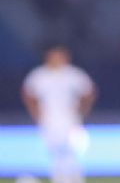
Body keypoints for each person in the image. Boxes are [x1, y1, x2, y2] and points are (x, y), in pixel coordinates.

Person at [21, 45, 97, 183]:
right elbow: (28, 94)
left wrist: (82, 111)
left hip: (70, 120)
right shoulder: (39, 75)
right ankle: (58, 179)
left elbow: (89, 91)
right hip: (49, 120)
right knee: (55, 152)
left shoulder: (73, 74)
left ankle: (76, 179)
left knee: (72, 151)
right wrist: (36, 113)